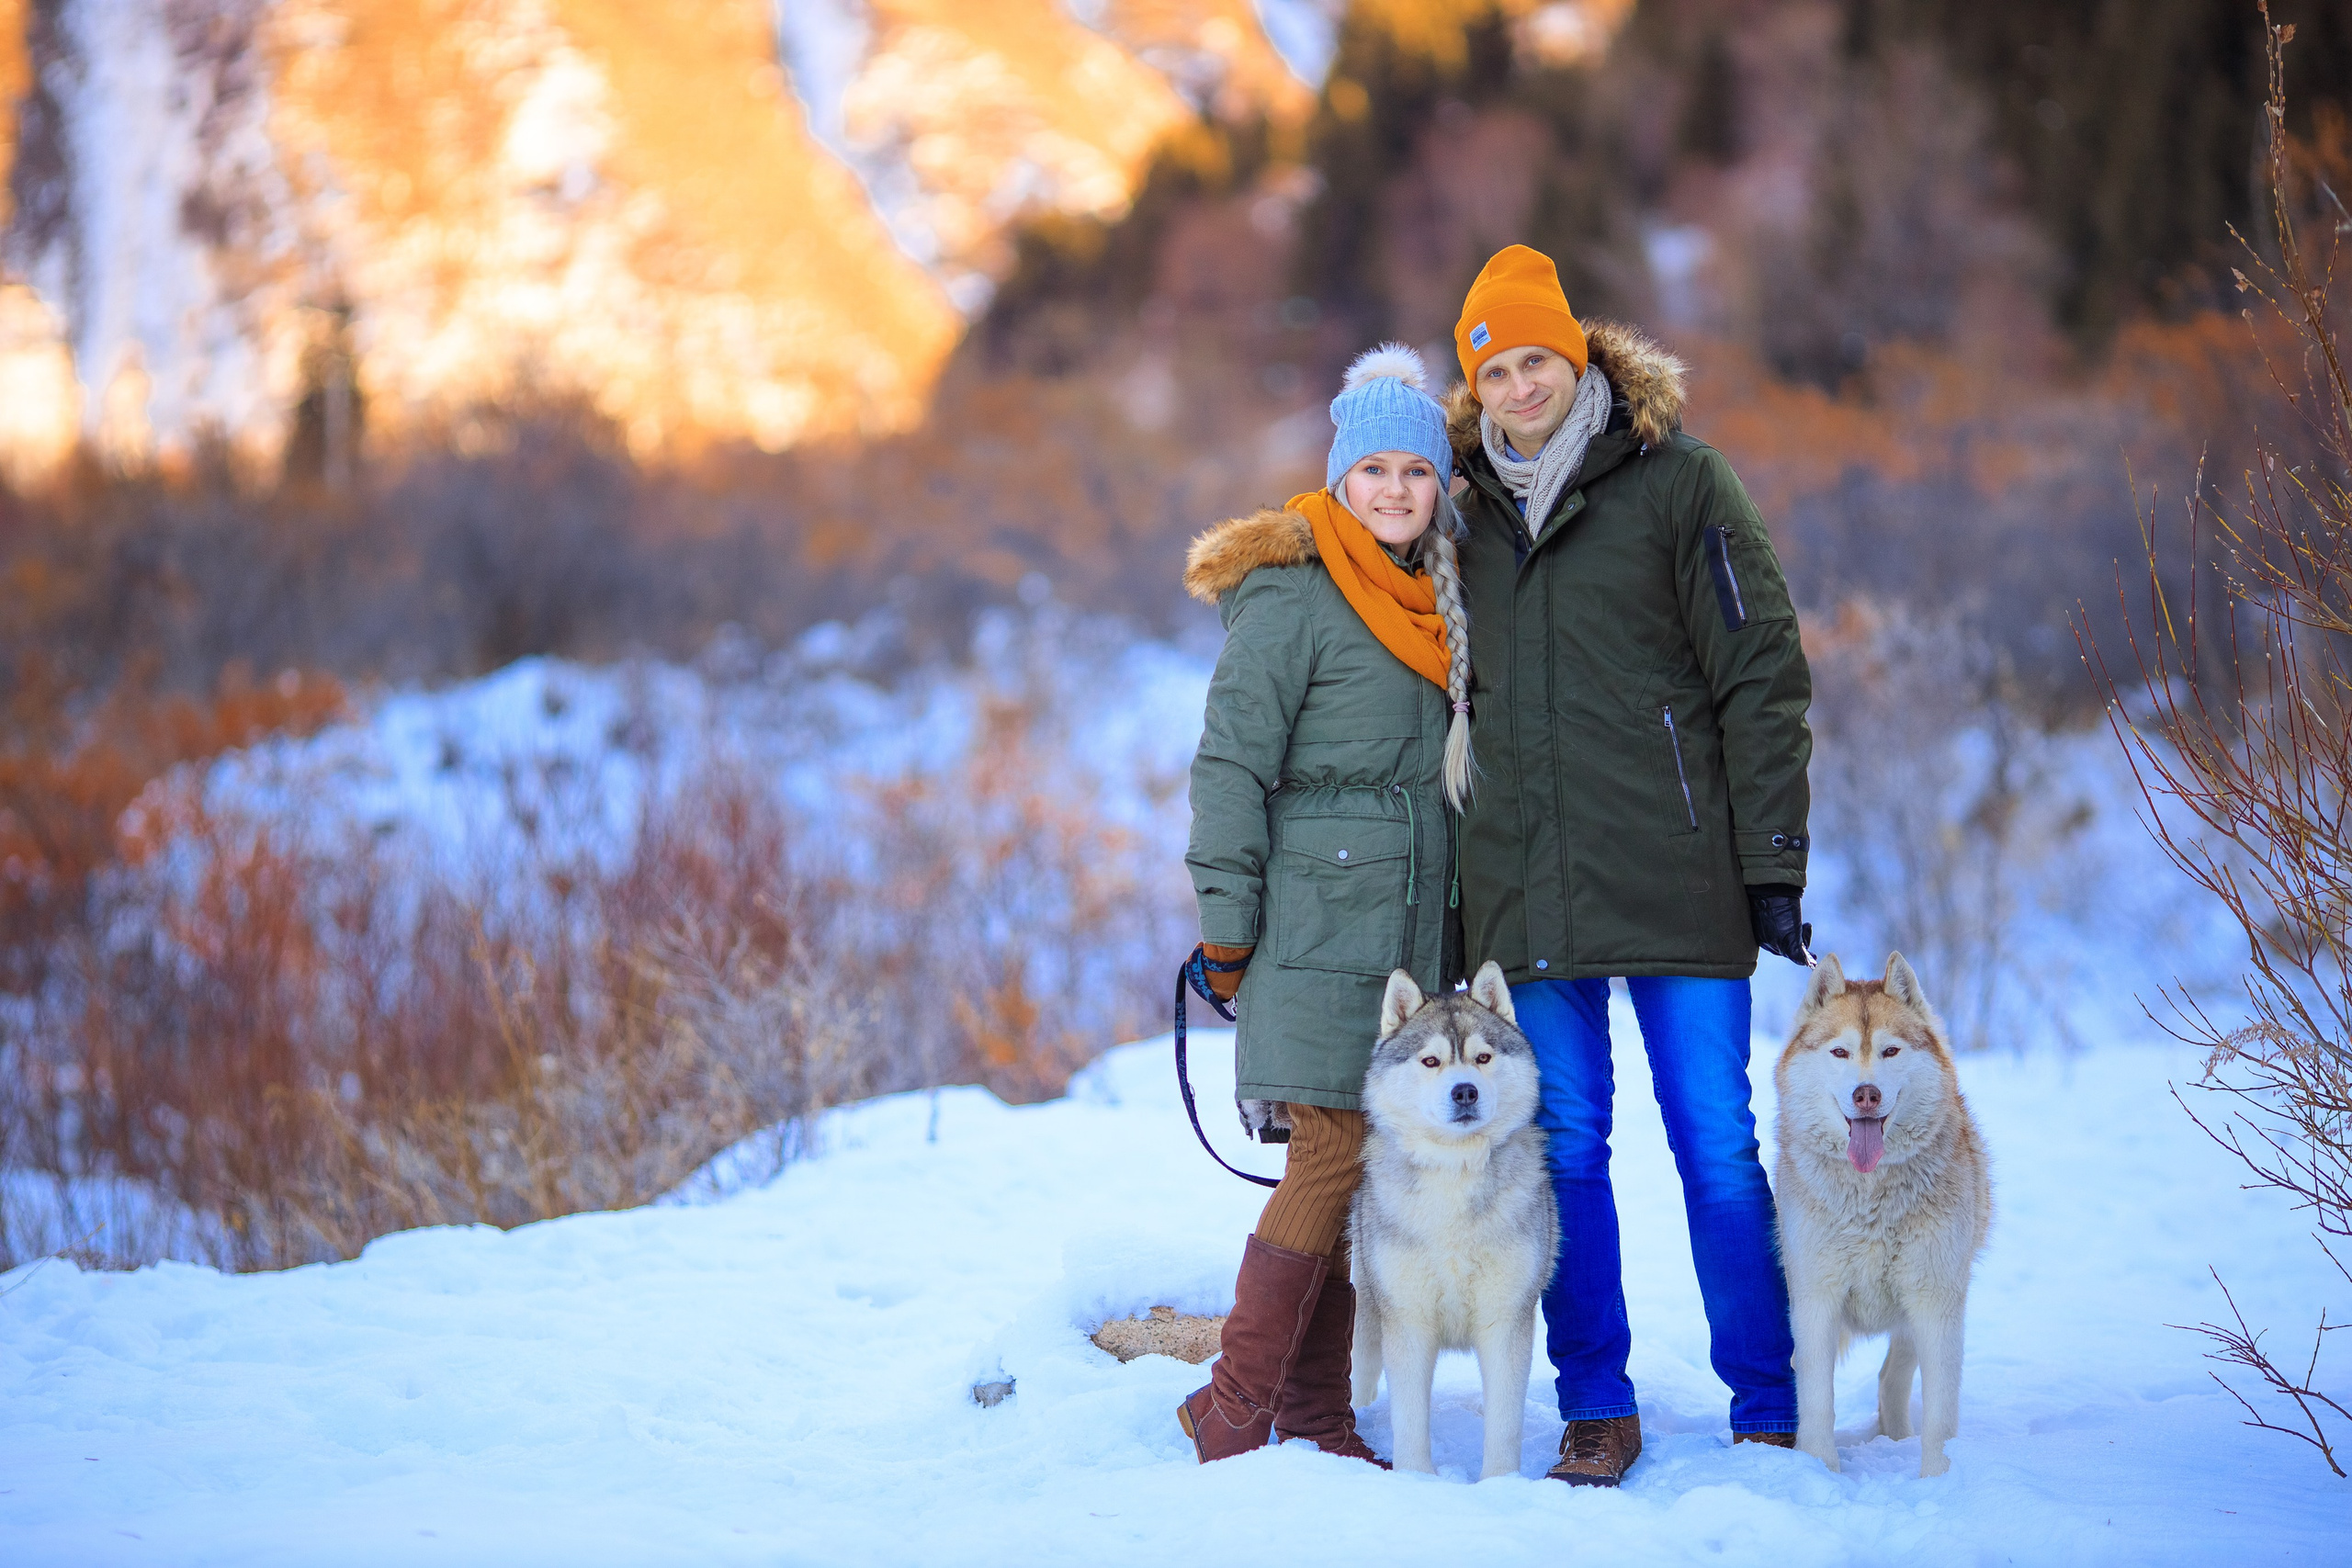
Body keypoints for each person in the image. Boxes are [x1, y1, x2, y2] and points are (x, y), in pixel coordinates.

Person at [1444, 244, 1815, 1485]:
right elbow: (1346, 534)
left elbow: (1761, 670)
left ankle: (1771, 1395)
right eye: (1497, 370)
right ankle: (1595, 1403)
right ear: (1475, 384)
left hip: (1675, 867)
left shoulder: (1679, 483)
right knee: (1562, 1146)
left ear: (1580, 354)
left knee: (1715, 1138)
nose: (1523, 387)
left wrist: (1769, 858)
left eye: (1540, 359)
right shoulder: (1454, 512)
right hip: (1525, 881)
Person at [1176, 343, 1473, 1466]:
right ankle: (1236, 1406)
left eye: (1415, 471)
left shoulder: (1435, 594)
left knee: (1355, 1169)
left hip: (1405, 926)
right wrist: (1227, 925)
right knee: (1332, 1153)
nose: (1395, 490)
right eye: (1374, 471)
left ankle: (1308, 1413)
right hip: (1308, 921)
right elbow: (1229, 769)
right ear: (1339, 478)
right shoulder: (1292, 595)